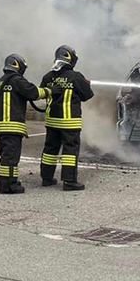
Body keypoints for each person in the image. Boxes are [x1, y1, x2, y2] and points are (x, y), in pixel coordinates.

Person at [0, 53, 50, 194]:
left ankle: (8, 181)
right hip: (13, 125)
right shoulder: (17, 80)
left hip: (1, 125)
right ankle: (9, 185)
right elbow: (34, 93)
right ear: (17, 65)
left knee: (5, 156)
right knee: (11, 157)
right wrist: (50, 91)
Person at [40, 45, 93, 191]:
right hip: (69, 122)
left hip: (52, 121)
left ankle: (46, 178)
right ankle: (69, 181)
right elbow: (87, 96)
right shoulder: (76, 77)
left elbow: (44, 92)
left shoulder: (48, 77)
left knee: (50, 149)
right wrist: (86, 85)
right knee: (70, 151)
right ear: (71, 59)